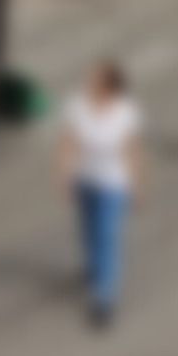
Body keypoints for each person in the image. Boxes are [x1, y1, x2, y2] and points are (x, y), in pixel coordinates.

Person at [60, 60, 143, 329]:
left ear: (110, 86)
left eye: (96, 79)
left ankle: (104, 298)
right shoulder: (79, 107)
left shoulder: (125, 112)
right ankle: (93, 269)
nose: (90, 82)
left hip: (112, 184)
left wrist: (138, 185)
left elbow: (132, 150)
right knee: (89, 231)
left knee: (107, 235)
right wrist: (65, 176)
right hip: (85, 180)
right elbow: (69, 143)